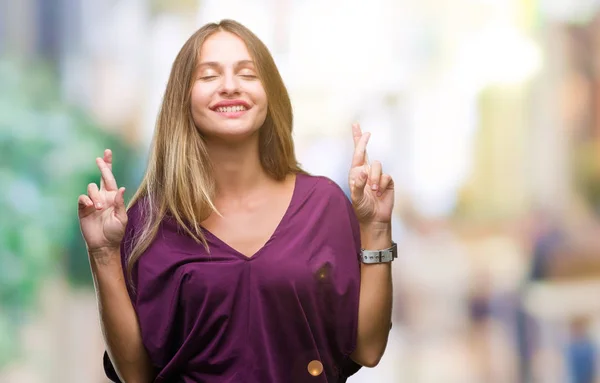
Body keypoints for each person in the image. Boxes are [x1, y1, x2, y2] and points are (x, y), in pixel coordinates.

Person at [77, 19, 395, 383]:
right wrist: (103, 255)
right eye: (209, 76)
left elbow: (368, 350)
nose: (229, 87)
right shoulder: (147, 222)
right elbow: (135, 374)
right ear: (183, 98)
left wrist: (376, 227)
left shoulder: (324, 205)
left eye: (247, 74)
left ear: (270, 94)